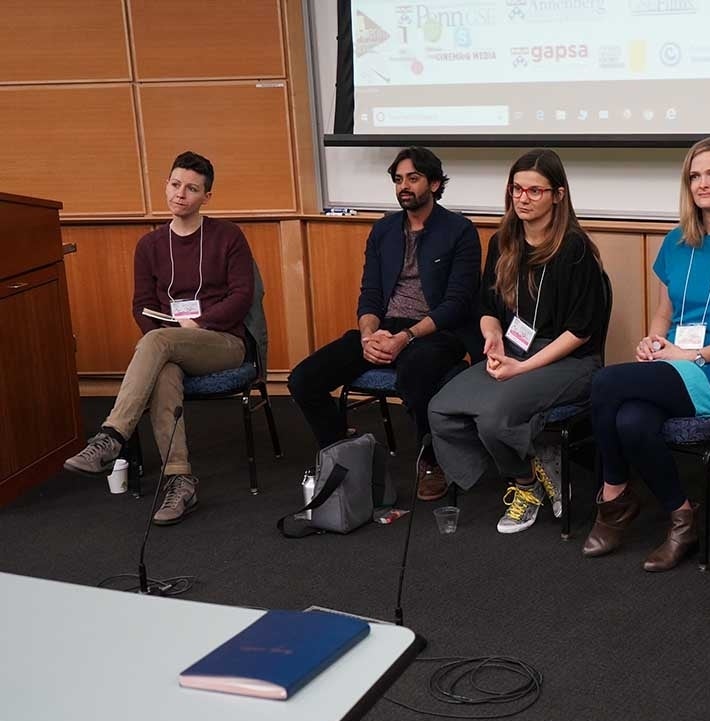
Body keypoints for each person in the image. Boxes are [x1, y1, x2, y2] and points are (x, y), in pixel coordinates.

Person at [585, 137, 710, 572]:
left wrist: (694, 357)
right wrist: (652, 343)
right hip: (673, 363)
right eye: (694, 176)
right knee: (630, 420)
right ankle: (682, 517)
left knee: (603, 383)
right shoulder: (676, 241)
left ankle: (613, 497)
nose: (702, 183)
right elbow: (664, 313)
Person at [64, 152, 254, 525]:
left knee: (159, 345)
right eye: (175, 184)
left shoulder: (228, 236)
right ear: (166, 184)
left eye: (192, 188)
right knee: (163, 368)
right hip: (170, 344)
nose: (180, 194)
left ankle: (111, 437)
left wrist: (197, 325)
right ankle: (180, 480)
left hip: (223, 342)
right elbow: (142, 305)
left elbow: (241, 297)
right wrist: (164, 336)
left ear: (206, 196)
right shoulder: (149, 246)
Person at [287, 147, 481, 502]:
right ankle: (341, 455)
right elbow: (371, 293)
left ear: (435, 184)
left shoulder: (460, 231)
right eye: (398, 179)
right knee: (303, 379)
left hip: (436, 331)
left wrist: (406, 337)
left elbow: (457, 304)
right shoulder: (384, 230)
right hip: (385, 328)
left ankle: (433, 461)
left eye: (413, 178)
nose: (403, 186)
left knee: (415, 374)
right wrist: (367, 335)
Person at [427, 148, 606, 534]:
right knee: (442, 409)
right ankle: (535, 464)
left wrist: (521, 368)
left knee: (494, 417)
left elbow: (581, 331)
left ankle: (524, 483)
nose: (523, 198)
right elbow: (487, 304)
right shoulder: (503, 241)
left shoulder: (574, 250)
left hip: (571, 361)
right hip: (514, 351)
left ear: (558, 194)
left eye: (535, 191)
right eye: (516, 189)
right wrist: (492, 338)